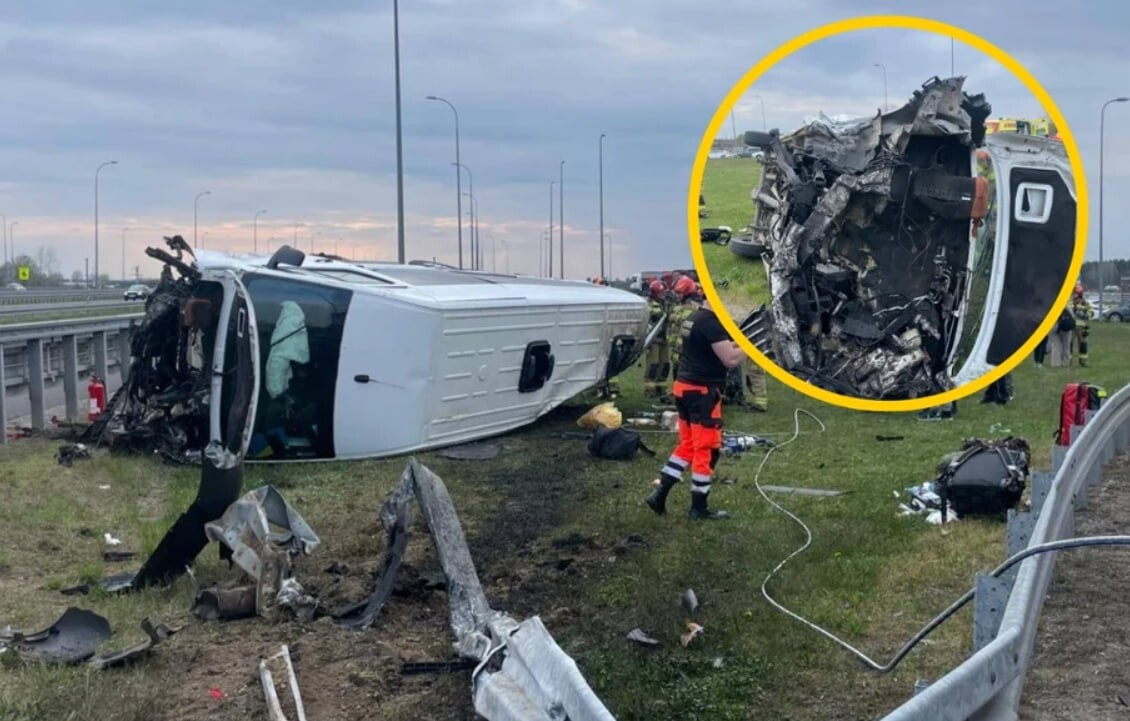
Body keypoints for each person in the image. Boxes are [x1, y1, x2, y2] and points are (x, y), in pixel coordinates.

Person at [645, 289, 748, 521]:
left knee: (688, 445)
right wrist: (751, 347)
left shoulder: (694, 318)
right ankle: (698, 508)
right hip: (702, 392)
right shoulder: (710, 323)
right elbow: (730, 359)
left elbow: (718, 347)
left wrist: (739, 343)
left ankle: (659, 494)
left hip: (684, 387)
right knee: (706, 449)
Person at [642, 280, 672, 398]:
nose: (663, 295)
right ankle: (649, 390)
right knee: (653, 365)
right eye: (660, 293)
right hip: (653, 339)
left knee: (664, 365)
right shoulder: (649, 304)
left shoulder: (665, 303)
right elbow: (656, 314)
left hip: (664, 338)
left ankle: (661, 389)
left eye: (663, 293)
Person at [666, 277, 699, 381]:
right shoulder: (678, 307)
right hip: (677, 349)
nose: (677, 296)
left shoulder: (694, 308)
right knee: (677, 373)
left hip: (687, 350)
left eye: (680, 294)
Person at [1069, 284, 1094, 367]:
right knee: (1069, 344)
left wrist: (1086, 315)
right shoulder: (1071, 302)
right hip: (1072, 327)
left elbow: (1091, 312)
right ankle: (1068, 361)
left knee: (1083, 345)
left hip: (1082, 328)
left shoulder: (1085, 303)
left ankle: (1083, 362)